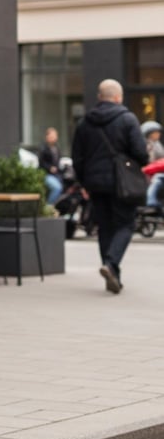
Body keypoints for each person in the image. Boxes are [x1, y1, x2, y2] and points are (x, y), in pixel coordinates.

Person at [71, 79, 149, 294]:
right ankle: (111, 264)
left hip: (96, 184)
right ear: (118, 97)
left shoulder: (85, 122)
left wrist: (84, 182)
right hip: (121, 183)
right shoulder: (127, 119)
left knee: (105, 227)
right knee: (125, 224)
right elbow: (141, 153)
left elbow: (77, 157)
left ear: (99, 97)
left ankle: (112, 273)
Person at [38, 127, 65, 206]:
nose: (54, 138)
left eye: (55, 136)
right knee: (57, 188)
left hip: (56, 174)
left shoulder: (57, 148)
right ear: (47, 137)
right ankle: (48, 207)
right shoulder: (43, 148)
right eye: (52, 136)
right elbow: (41, 162)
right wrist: (49, 168)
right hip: (45, 174)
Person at [142, 120, 164, 213]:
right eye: (155, 132)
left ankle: (151, 202)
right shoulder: (148, 145)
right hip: (152, 171)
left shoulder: (158, 145)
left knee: (157, 179)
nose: (158, 134)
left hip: (156, 171)